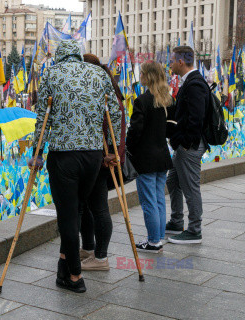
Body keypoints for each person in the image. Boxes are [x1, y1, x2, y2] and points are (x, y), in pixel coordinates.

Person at [30, 40, 121, 293]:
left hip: (63, 156)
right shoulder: (98, 73)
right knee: (78, 209)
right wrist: (112, 150)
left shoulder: (51, 73)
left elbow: (42, 117)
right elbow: (114, 111)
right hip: (92, 155)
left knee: (68, 217)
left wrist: (36, 152)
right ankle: (63, 266)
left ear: (59, 56)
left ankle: (75, 276)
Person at [79, 54, 127, 271]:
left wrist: (114, 152)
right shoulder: (102, 90)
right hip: (95, 157)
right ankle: (89, 249)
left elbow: (115, 125)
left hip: (102, 159)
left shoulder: (108, 95)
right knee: (88, 206)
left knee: (99, 207)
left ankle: (101, 258)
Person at [126, 61, 174, 253]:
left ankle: (153, 241)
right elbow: (170, 127)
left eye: (143, 73)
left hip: (145, 158)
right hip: (162, 156)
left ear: (148, 76)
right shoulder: (167, 99)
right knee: (159, 199)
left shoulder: (142, 101)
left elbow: (135, 130)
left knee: (148, 201)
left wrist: (128, 147)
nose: (141, 76)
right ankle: (158, 237)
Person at [166, 46, 209, 244]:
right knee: (173, 182)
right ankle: (176, 221)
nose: (171, 64)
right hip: (185, 145)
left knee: (191, 187)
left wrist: (185, 143)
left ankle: (195, 230)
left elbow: (196, 118)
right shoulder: (190, 82)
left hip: (189, 146)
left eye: (172, 60)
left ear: (181, 62)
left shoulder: (195, 84)